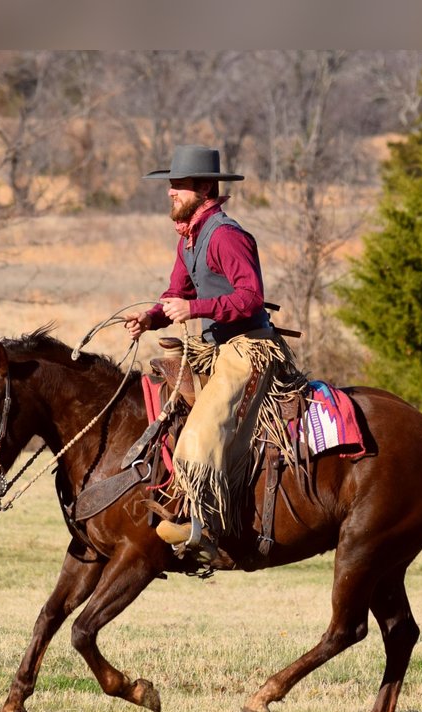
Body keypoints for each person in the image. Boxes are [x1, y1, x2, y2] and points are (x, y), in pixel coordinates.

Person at [124, 145, 303, 553]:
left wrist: (196, 309)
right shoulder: (188, 238)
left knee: (204, 428)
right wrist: (151, 318)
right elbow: (176, 292)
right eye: (170, 185)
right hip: (214, 347)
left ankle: (201, 525)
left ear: (204, 188)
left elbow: (251, 297)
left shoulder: (225, 236)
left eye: (180, 186)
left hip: (249, 348)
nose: (170, 193)